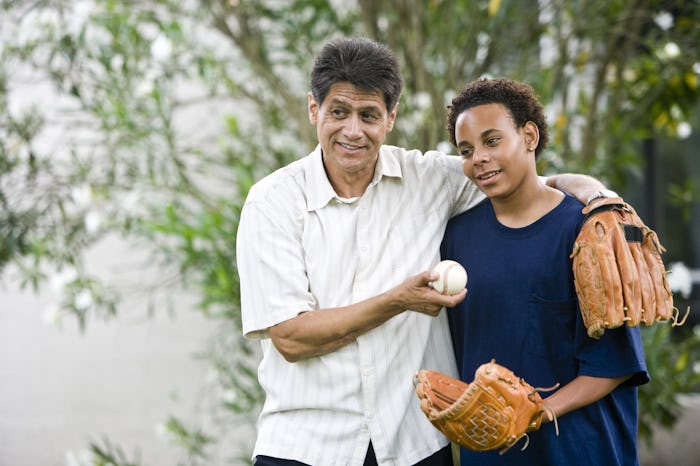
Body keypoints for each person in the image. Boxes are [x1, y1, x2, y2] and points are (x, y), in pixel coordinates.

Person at [236, 37, 610, 466]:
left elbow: (522, 176)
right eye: (339, 112)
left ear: (390, 118)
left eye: (369, 115)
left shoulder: (430, 179)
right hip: (305, 447)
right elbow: (291, 338)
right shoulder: (272, 202)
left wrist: (600, 199)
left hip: (413, 446)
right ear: (314, 110)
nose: (353, 130)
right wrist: (399, 301)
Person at [441, 77, 649, 466]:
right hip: (491, 457)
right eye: (466, 150)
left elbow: (613, 366)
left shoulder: (587, 232)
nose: (478, 158)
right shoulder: (457, 238)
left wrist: (537, 411)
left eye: (492, 141)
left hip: (582, 451)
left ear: (529, 136)